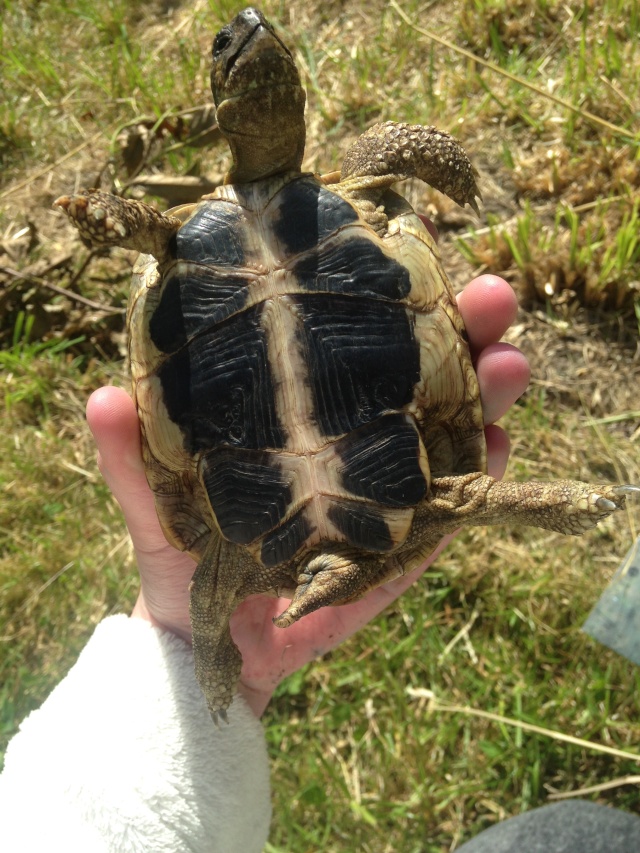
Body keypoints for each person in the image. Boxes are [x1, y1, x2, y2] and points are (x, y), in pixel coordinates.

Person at [1, 274, 637, 852]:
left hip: (260, 484)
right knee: (441, 499)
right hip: (373, 446)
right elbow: (461, 496)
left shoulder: (233, 555)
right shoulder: (388, 519)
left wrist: (197, 656)